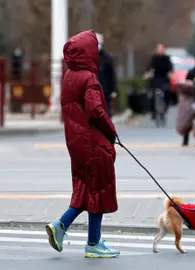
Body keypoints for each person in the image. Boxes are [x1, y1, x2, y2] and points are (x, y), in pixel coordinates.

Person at [45, 30, 120, 259]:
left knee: (86, 187)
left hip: (76, 142)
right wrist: (112, 130)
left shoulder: (68, 76)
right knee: (98, 189)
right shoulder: (89, 77)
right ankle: (93, 244)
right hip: (92, 141)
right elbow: (96, 110)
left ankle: (61, 226)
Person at [143, 43, 174, 119]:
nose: (160, 51)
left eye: (161, 49)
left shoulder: (167, 58)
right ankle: (153, 112)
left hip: (164, 78)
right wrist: (147, 73)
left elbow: (170, 67)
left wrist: (170, 74)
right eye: (159, 49)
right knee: (152, 95)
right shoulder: (153, 58)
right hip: (155, 78)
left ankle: (165, 109)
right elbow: (149, 66)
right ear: (156, 50)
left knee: (167, 92)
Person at [96, 33, 118, 118]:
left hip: (104, 90)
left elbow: (112, 75)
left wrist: (113, 89)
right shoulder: (87, 57)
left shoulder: (107, 58)